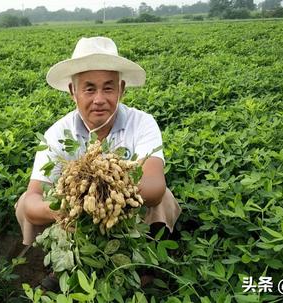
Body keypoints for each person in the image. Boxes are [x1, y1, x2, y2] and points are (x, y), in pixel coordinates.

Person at [15, 36, 182, 251]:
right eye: (89, 89)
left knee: (164, 198)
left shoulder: (142, 122)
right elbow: (33, 200)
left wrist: (109, 193)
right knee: (24, 203)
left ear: (121, 89)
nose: (99, 99)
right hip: (73, 216)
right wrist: (66, 209)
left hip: (127, 212)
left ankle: (145, 258)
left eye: (108, 88)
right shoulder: (57, 133)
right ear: (72, 91)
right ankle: (58, 256)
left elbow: (155, 184)